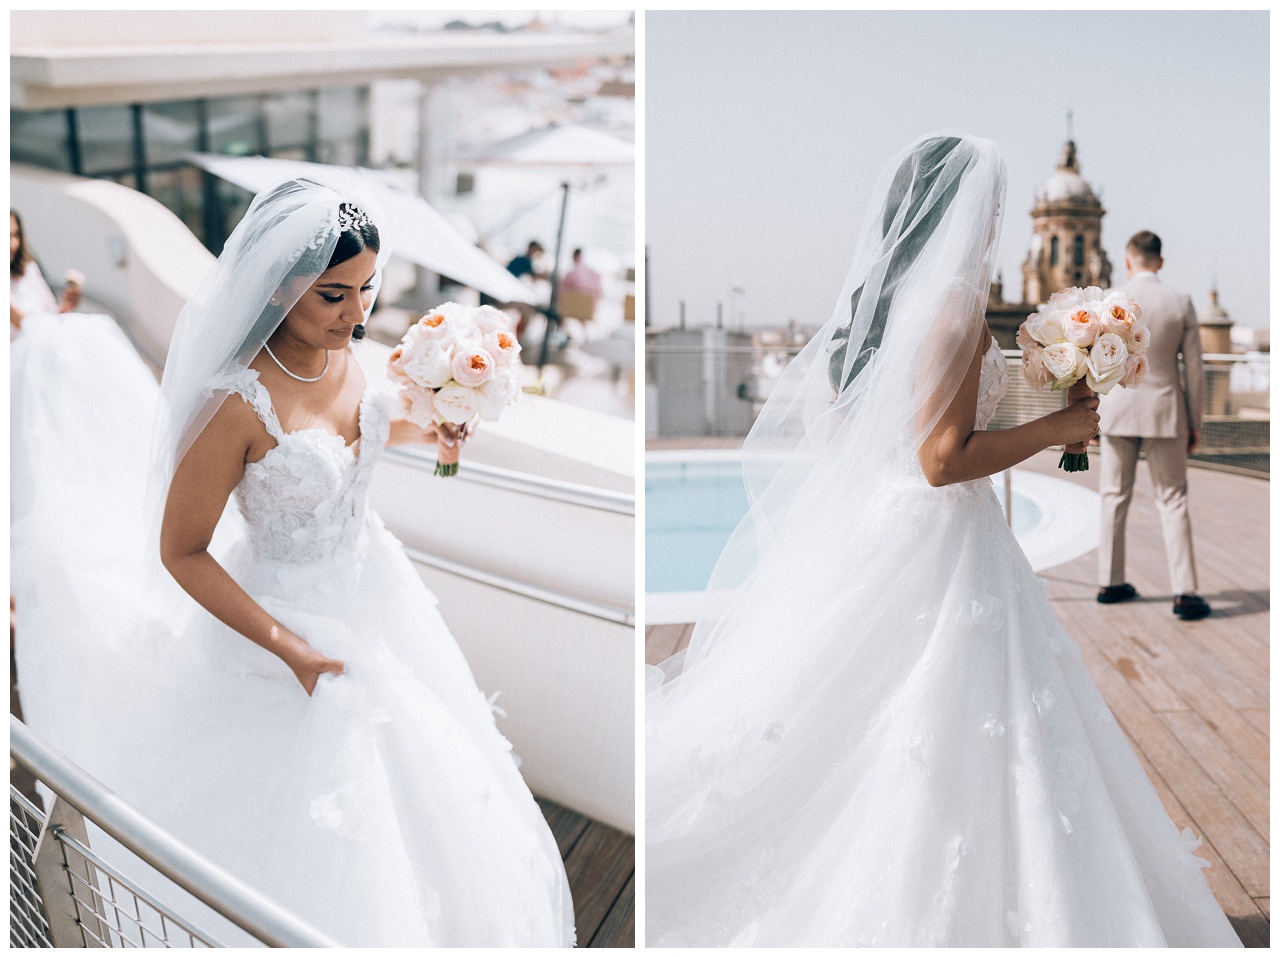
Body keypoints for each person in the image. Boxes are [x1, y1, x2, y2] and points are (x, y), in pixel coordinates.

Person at [645, 134, 1241, 947]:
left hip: (883, 529)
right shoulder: (957, 305)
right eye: (991, 204)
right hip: (941, 535)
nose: (995, 220)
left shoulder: (879, 304)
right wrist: (1059, 426)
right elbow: (941, 460)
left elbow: (886, 435)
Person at [10, 175, 574, 947]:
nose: (358, 313)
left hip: (376, 595)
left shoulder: (348, 358)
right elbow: (181, 551)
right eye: (334, 295)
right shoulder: (234, 403)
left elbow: (361, 433)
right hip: (280, 625)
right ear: (278, 290)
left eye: (367, 289)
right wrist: (290, 649)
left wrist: (440, 433)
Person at [1095, 232, 1209, 620]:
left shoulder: (1110, 301)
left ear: (1128, 262)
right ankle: (1185, 593)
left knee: (1113, 496)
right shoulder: (1180, 302)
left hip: (1117, 411)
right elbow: (1194, 369)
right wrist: (1195, 420)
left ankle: (1110, 583)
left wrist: (1092, 414)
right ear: (1160, 262)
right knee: (1173, 501)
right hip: (1165, 411)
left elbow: (1096, 362)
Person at [10, 209, 82, 335]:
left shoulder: (29, 270)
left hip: (44, 343)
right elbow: (26, 326)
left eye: (16, 235)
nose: (13, 244)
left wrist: (65, 307)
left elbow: (51, 317)